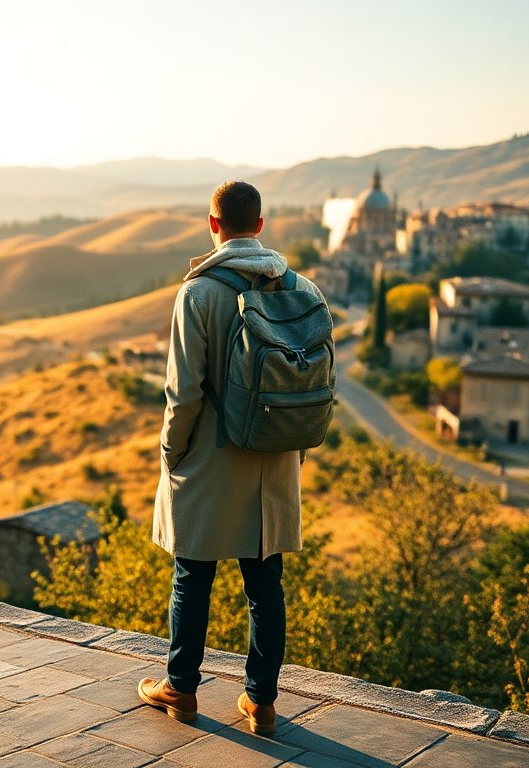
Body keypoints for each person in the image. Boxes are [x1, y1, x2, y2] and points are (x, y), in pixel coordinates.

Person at [137, 181, 329, 736]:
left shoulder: (197, 295)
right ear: (261, 224)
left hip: (212, 459)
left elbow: (184, 393)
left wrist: (171, 452)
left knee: (192, 575)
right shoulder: (303, 289)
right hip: (276, 459)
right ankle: (261, 702)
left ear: (213, 225)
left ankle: (182, 688)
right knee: (266, 583)